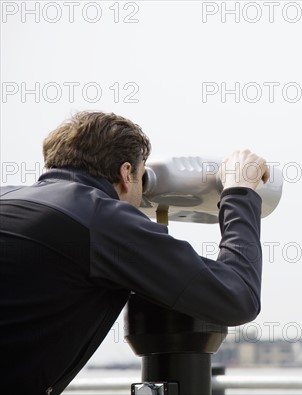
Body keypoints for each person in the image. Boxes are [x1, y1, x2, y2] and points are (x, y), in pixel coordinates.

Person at [0, 111, 269, 394]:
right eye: (143, 178)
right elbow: (237, 296)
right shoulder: (101, 219)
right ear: (126, 174)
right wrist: (239, 192)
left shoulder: (7, 198)